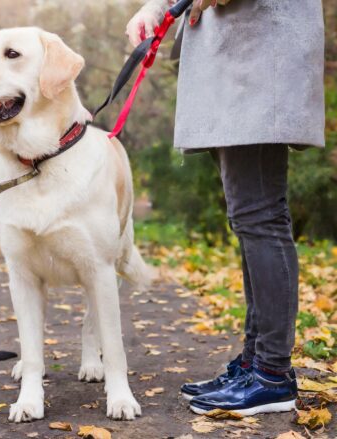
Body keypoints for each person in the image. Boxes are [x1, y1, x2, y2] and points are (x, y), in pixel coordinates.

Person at [126, 0, 325, 415]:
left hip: (259, 58)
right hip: (234, 62)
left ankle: (272, 374)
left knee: (261, 216)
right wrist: (155, 7)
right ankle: (256, 363)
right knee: (250, 217)